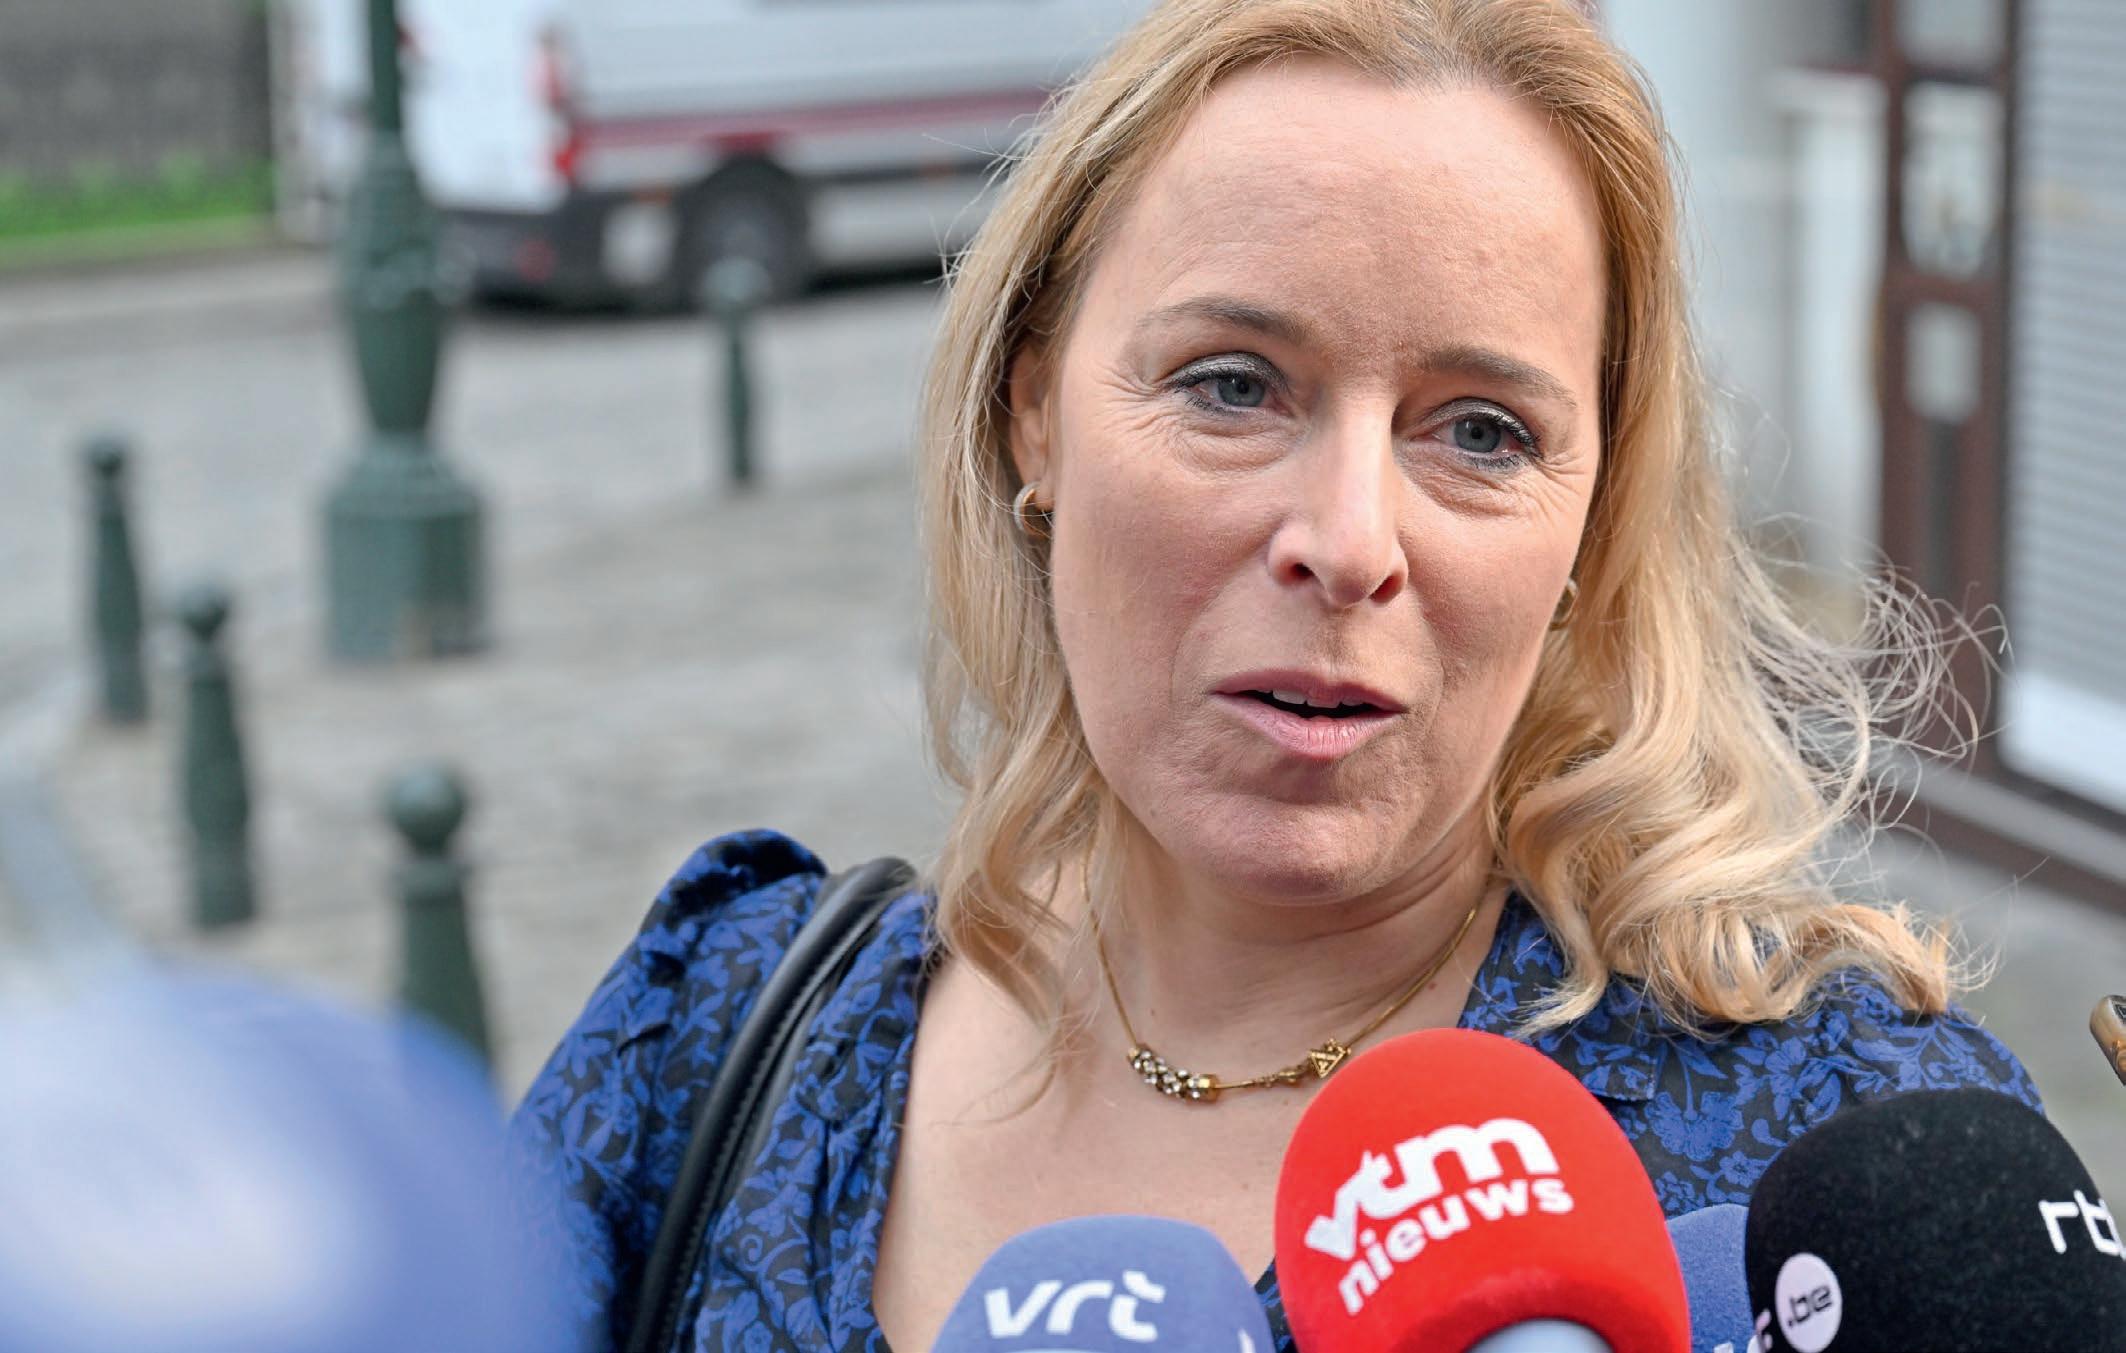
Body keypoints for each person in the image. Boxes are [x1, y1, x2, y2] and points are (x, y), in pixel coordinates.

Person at [508, 1, 2037, 1348]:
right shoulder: (712, 1034)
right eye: (1231, 386)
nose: (1349, 541)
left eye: (1480, 430)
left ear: (1591, 518)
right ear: (1035, 418)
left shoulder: (1847, 1160)